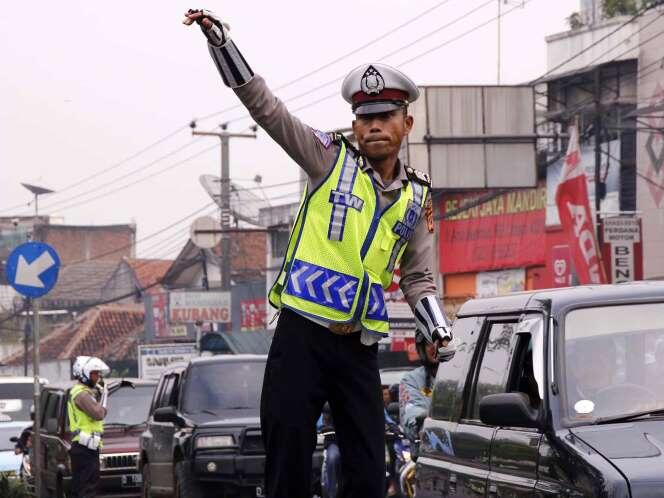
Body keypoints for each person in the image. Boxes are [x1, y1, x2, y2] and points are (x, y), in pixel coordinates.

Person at [183, 10, 454, 497]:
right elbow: (269, 111)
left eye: (384, 117)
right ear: (354, 122)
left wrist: (435, 327)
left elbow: (419, 278)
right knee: (286, 465)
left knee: (370, 473)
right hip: (301, 339)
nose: (373, 126)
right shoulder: (326, 158)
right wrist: (225, 47)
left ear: (406, 123)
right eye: (365, 117)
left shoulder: (417, 195)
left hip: (359, 350)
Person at [399, 330, 454, 443]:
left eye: (441, 343)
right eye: (429, 343)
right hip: (426, 451)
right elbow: (411, 415)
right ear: (422, 348)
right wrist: (424, 422)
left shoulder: (462, 377)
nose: (435, 347)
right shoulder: (411, 380)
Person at [68, 356, 110, 498]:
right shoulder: (81, 394)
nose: (97, 377)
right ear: (83, 373)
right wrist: (105, 395)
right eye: (94, 373)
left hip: (86, 447)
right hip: (84, 447)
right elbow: (98, 414)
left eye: (98, 374)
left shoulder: (83, 392)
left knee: (82, 487)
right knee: (87, 488)